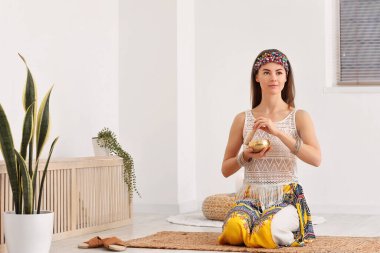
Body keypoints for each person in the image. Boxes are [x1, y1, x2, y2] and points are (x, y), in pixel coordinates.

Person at [218, 49, 321, 249]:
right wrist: (245, 156)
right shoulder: (242, 119)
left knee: (268, 230)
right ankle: (254, 229)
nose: (273, 77)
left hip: (286, 198)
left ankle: (273, 228)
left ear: (286, 77)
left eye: (279, 72)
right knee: (232, 230)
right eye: (266, 72)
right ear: (257, 77)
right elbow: (225, 169)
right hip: (251, 197)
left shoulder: (299, 116)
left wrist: (278, 133)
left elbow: (316, 159)